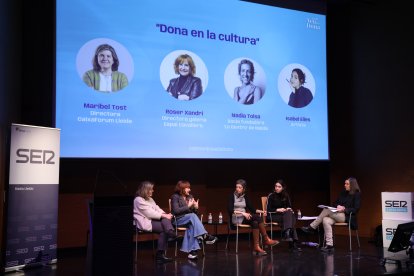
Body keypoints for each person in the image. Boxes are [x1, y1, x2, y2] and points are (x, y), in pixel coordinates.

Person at [301, 177, 361, 253]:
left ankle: (312, 227)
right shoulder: (343, 193)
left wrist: (344, 209)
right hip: (337, 214)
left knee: (326, 210)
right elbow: (334, 203)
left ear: (352, 185)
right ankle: (329, 245)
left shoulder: (357, 194)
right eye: (345, 183)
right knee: (325, 220)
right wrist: (338, 206)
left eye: (347, 184)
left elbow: (356, 209)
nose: (345, 185)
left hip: (347, 216)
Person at [227, 179, 279, 256]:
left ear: (244, 189)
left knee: (255, 222)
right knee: (257, 218)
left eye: (240, 187)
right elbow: (230, 210)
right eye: (236, 187)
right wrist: (243, 213)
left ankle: (256, 247)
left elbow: (252, 209)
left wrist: (262, 211)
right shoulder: (231, 196)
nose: (237, 189)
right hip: (236, 218)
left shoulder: (245, 197)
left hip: (244, 218)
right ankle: (266, 239)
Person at [170, 180, 218, 260]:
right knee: (192, 217)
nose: (190, 190)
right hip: (178, 219)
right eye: (187, 188)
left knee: (191, 226)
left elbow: (194, 214)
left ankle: (192, 253)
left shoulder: (190, 197)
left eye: (189, 188)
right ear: (182, 188)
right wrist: (188, 206)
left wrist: (196, 208)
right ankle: (204, 236)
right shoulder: (175, 197)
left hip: (188, 220)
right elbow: (175, 211)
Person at [133, 181, 177, 263]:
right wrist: (165, 215)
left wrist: (165, 214)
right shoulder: (138, 200)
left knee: (165, 223)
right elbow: (149, 213)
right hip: (144, 222)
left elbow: (157, 208)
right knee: (165, 226)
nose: (153, 191)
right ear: (145, 190)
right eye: (151, 189)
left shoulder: (150, 199)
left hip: (154, 220)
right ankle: (170, 235)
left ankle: (161, 254)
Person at [266, 179, 302, 251]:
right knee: (290, 218)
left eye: (279, 187)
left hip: (284, 216)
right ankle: (293, 242)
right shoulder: (271, 196)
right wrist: (277, 209)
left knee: (290, 214)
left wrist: (288, 209)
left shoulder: (285, 195)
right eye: (276, 186)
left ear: (283, 188)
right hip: (273, 215)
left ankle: (287, 233)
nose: (277, 188)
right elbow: (268, 210)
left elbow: (289, 206)